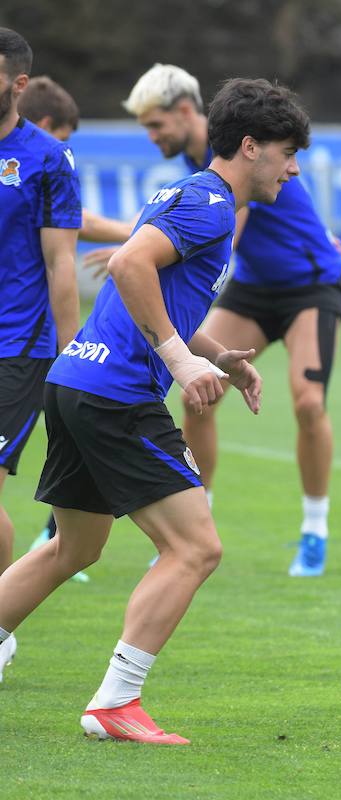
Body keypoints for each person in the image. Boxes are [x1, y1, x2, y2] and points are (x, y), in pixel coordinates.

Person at [0, 77, 309, 745]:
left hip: (76, 380)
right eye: (287, 152)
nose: (293, 168)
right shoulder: (213, 205)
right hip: (117, 394)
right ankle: (116, 701)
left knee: (74, 547)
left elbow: (151, 287)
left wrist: (217, 354)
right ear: (250, 147)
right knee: (196, 547)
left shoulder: (189, 197)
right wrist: (177, 360)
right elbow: (134, 266)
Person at [115, 64, 341, 576]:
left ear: (183, 112)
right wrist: (139, 244)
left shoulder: (250, 153)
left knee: (308, 402)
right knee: (200, 391)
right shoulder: (211, 160)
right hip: (256, 289)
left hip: (310, 285)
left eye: (156, 126)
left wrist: (141, 248)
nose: (153, 138)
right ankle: (198, 518)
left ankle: (314, 529)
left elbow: (224, 237)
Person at [20, 75, 137, 584]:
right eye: (63, 138)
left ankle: (55, 538)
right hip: (22, 337)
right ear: (48, 128)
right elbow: (65, 237)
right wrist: (138, 234)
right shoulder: (40, 158)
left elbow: (67, 222)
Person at [0, 29, 80, 682]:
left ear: (19, 84)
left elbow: (62, 263)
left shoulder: (48, 160)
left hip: (17, 349)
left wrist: (71, 353)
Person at [19, 75, 134, 245]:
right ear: (44, 125)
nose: (62, 148)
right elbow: (80, 220)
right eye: (62, 138)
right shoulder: (25, 167)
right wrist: (136, 233)